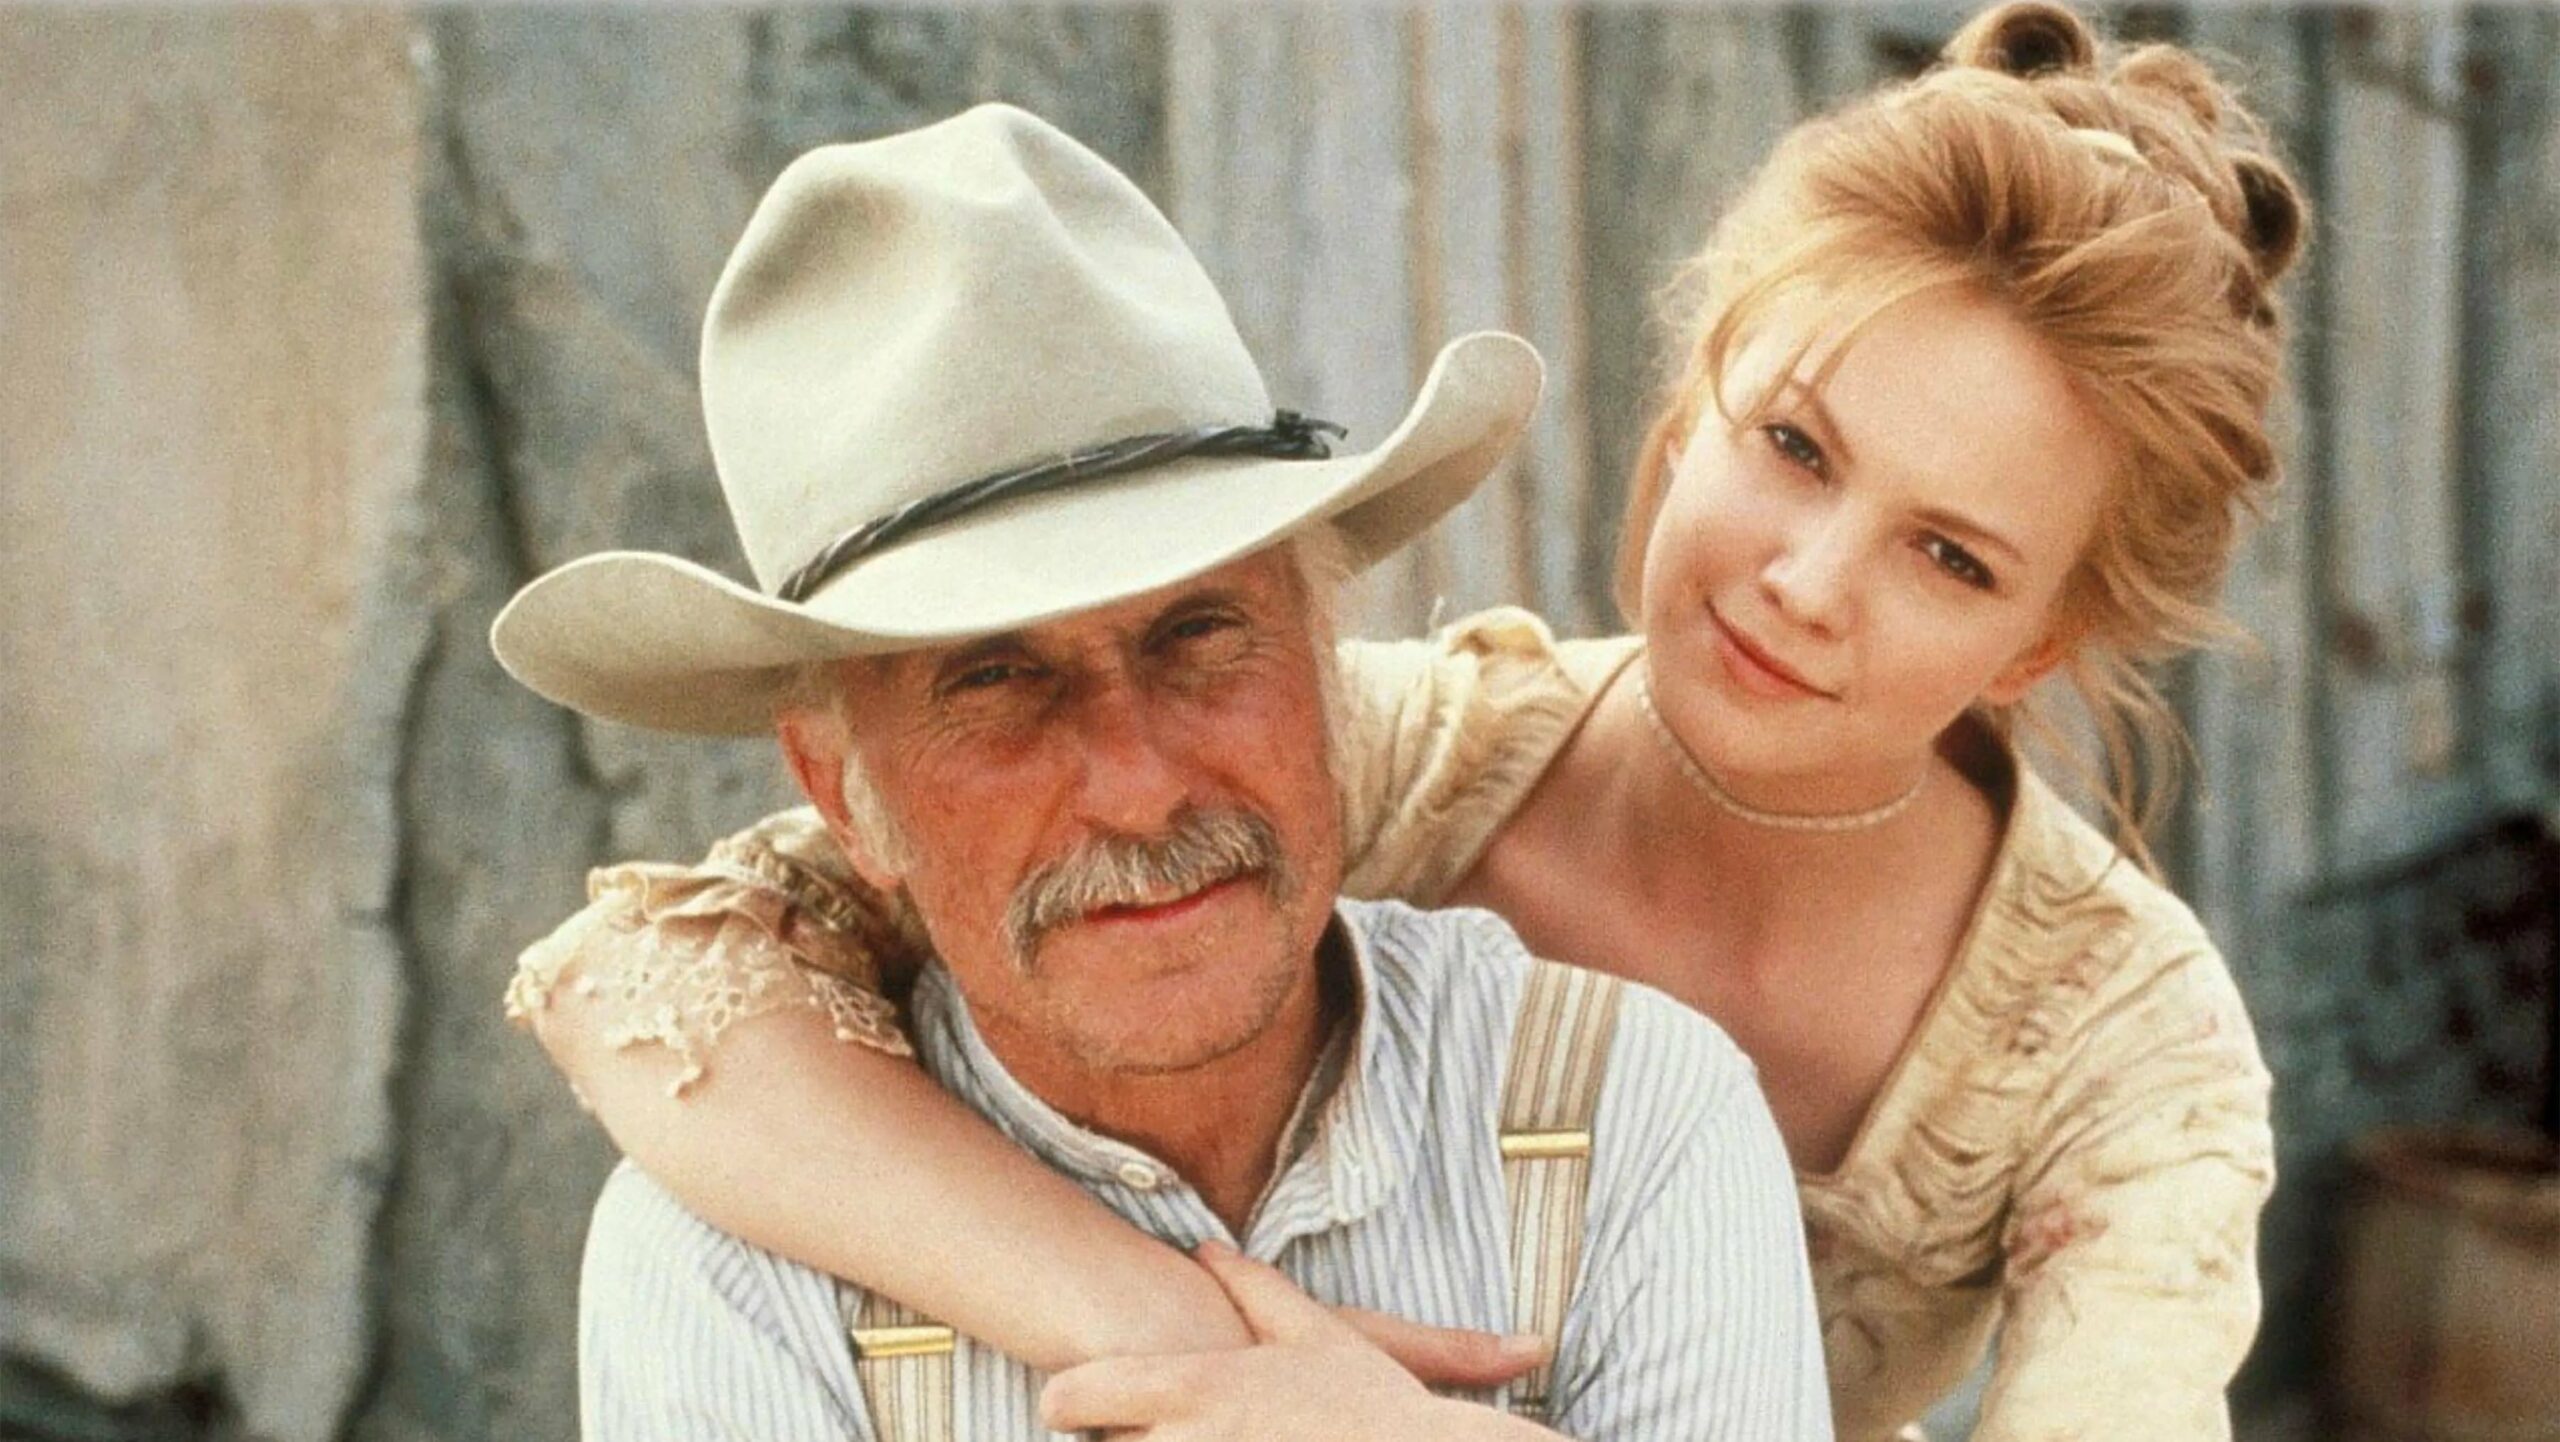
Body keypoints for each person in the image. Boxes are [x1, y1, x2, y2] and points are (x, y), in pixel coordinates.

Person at [507, 3, 2308, 1437]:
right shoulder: (1361, 745)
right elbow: (639, 983)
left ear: (2037, 643)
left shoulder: (2124, 1058)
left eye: (1950, 555)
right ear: (1690, 403)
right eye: (1793, 445)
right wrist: (1173, 1329)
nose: (1808, 582)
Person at [494, 101, 1831, 1440]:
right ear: (844, 793)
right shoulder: (727, 1273)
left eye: (1198, 634)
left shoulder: (1629, 1116)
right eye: (996, 680)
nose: (1138, 786)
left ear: (1327, 659)